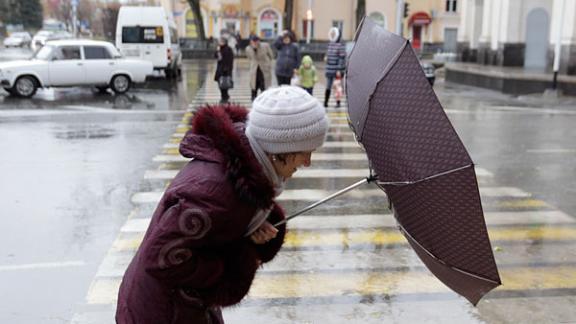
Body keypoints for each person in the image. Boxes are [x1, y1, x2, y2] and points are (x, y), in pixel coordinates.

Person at [115, 86, 329, 324]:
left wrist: (249, 228)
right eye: (305, 152)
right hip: (162, 312)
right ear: (278, 151)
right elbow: (162, 258)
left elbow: (214, 232)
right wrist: (240, 259)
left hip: (183, 304)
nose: (308, 162)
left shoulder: (242, 171)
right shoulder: (215, 192)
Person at [245, 34, 274, 101]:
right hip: (254, 69)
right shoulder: (248, 48)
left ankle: (264, 98)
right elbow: (249, 58)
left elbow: (271, 55)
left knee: (264, 84)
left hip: (264, 68)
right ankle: (253, 97)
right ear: (251, 42)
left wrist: (268, 64)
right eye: (253, 41)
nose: (255, 43)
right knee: (254, 84)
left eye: (256, 41)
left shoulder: (265, 46)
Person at [323, 27, 346, 107]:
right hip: (329, 69)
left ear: (338, 35)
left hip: (336, 70)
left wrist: (339, 69)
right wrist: (326, 57)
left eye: (334, 34)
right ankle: (325, 102)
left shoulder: (341, 45)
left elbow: (341, 58)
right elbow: (327, 54)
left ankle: (338, 102)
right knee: (328, 86)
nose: (332, 35)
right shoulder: (329, 44)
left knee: (337, 87)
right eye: (332, 33)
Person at [214, 37, 234, 104]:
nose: (219, 43)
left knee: (225, 83)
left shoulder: (228, 49)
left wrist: (227, 69)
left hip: (226, 70)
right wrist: (217, 51)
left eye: (221, 41)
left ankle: (225, 96)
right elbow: (216, 57)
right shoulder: (220, 49)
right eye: (219, 41)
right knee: (220, 83)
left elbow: (230, 60)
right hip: (220, 69)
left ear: (224, 42)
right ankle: (224, 95)